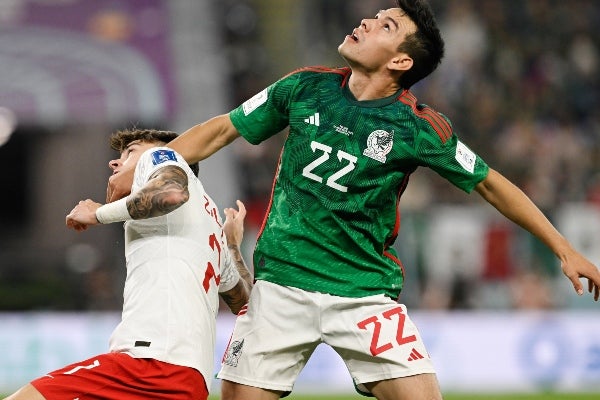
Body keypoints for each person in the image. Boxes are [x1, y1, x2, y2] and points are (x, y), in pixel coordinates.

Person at [107, 1, 600, 399]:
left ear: (401, 61)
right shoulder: (304, 87)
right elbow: (220, 130)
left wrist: (563, 248)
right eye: (375, 15)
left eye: (386, 25)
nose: (366, 21)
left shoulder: (417, 126)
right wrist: (146, 168)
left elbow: (491, 183)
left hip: (363, 293)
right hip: (279, 288)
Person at [5, 128, 252, 400]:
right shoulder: (210, 219)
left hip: (149, 366)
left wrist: (97, 213)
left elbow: (170, 193)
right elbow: (244, 302)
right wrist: (231, 245)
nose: (114, 162)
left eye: (130, 151)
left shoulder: (162, 156)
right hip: (190, 379)